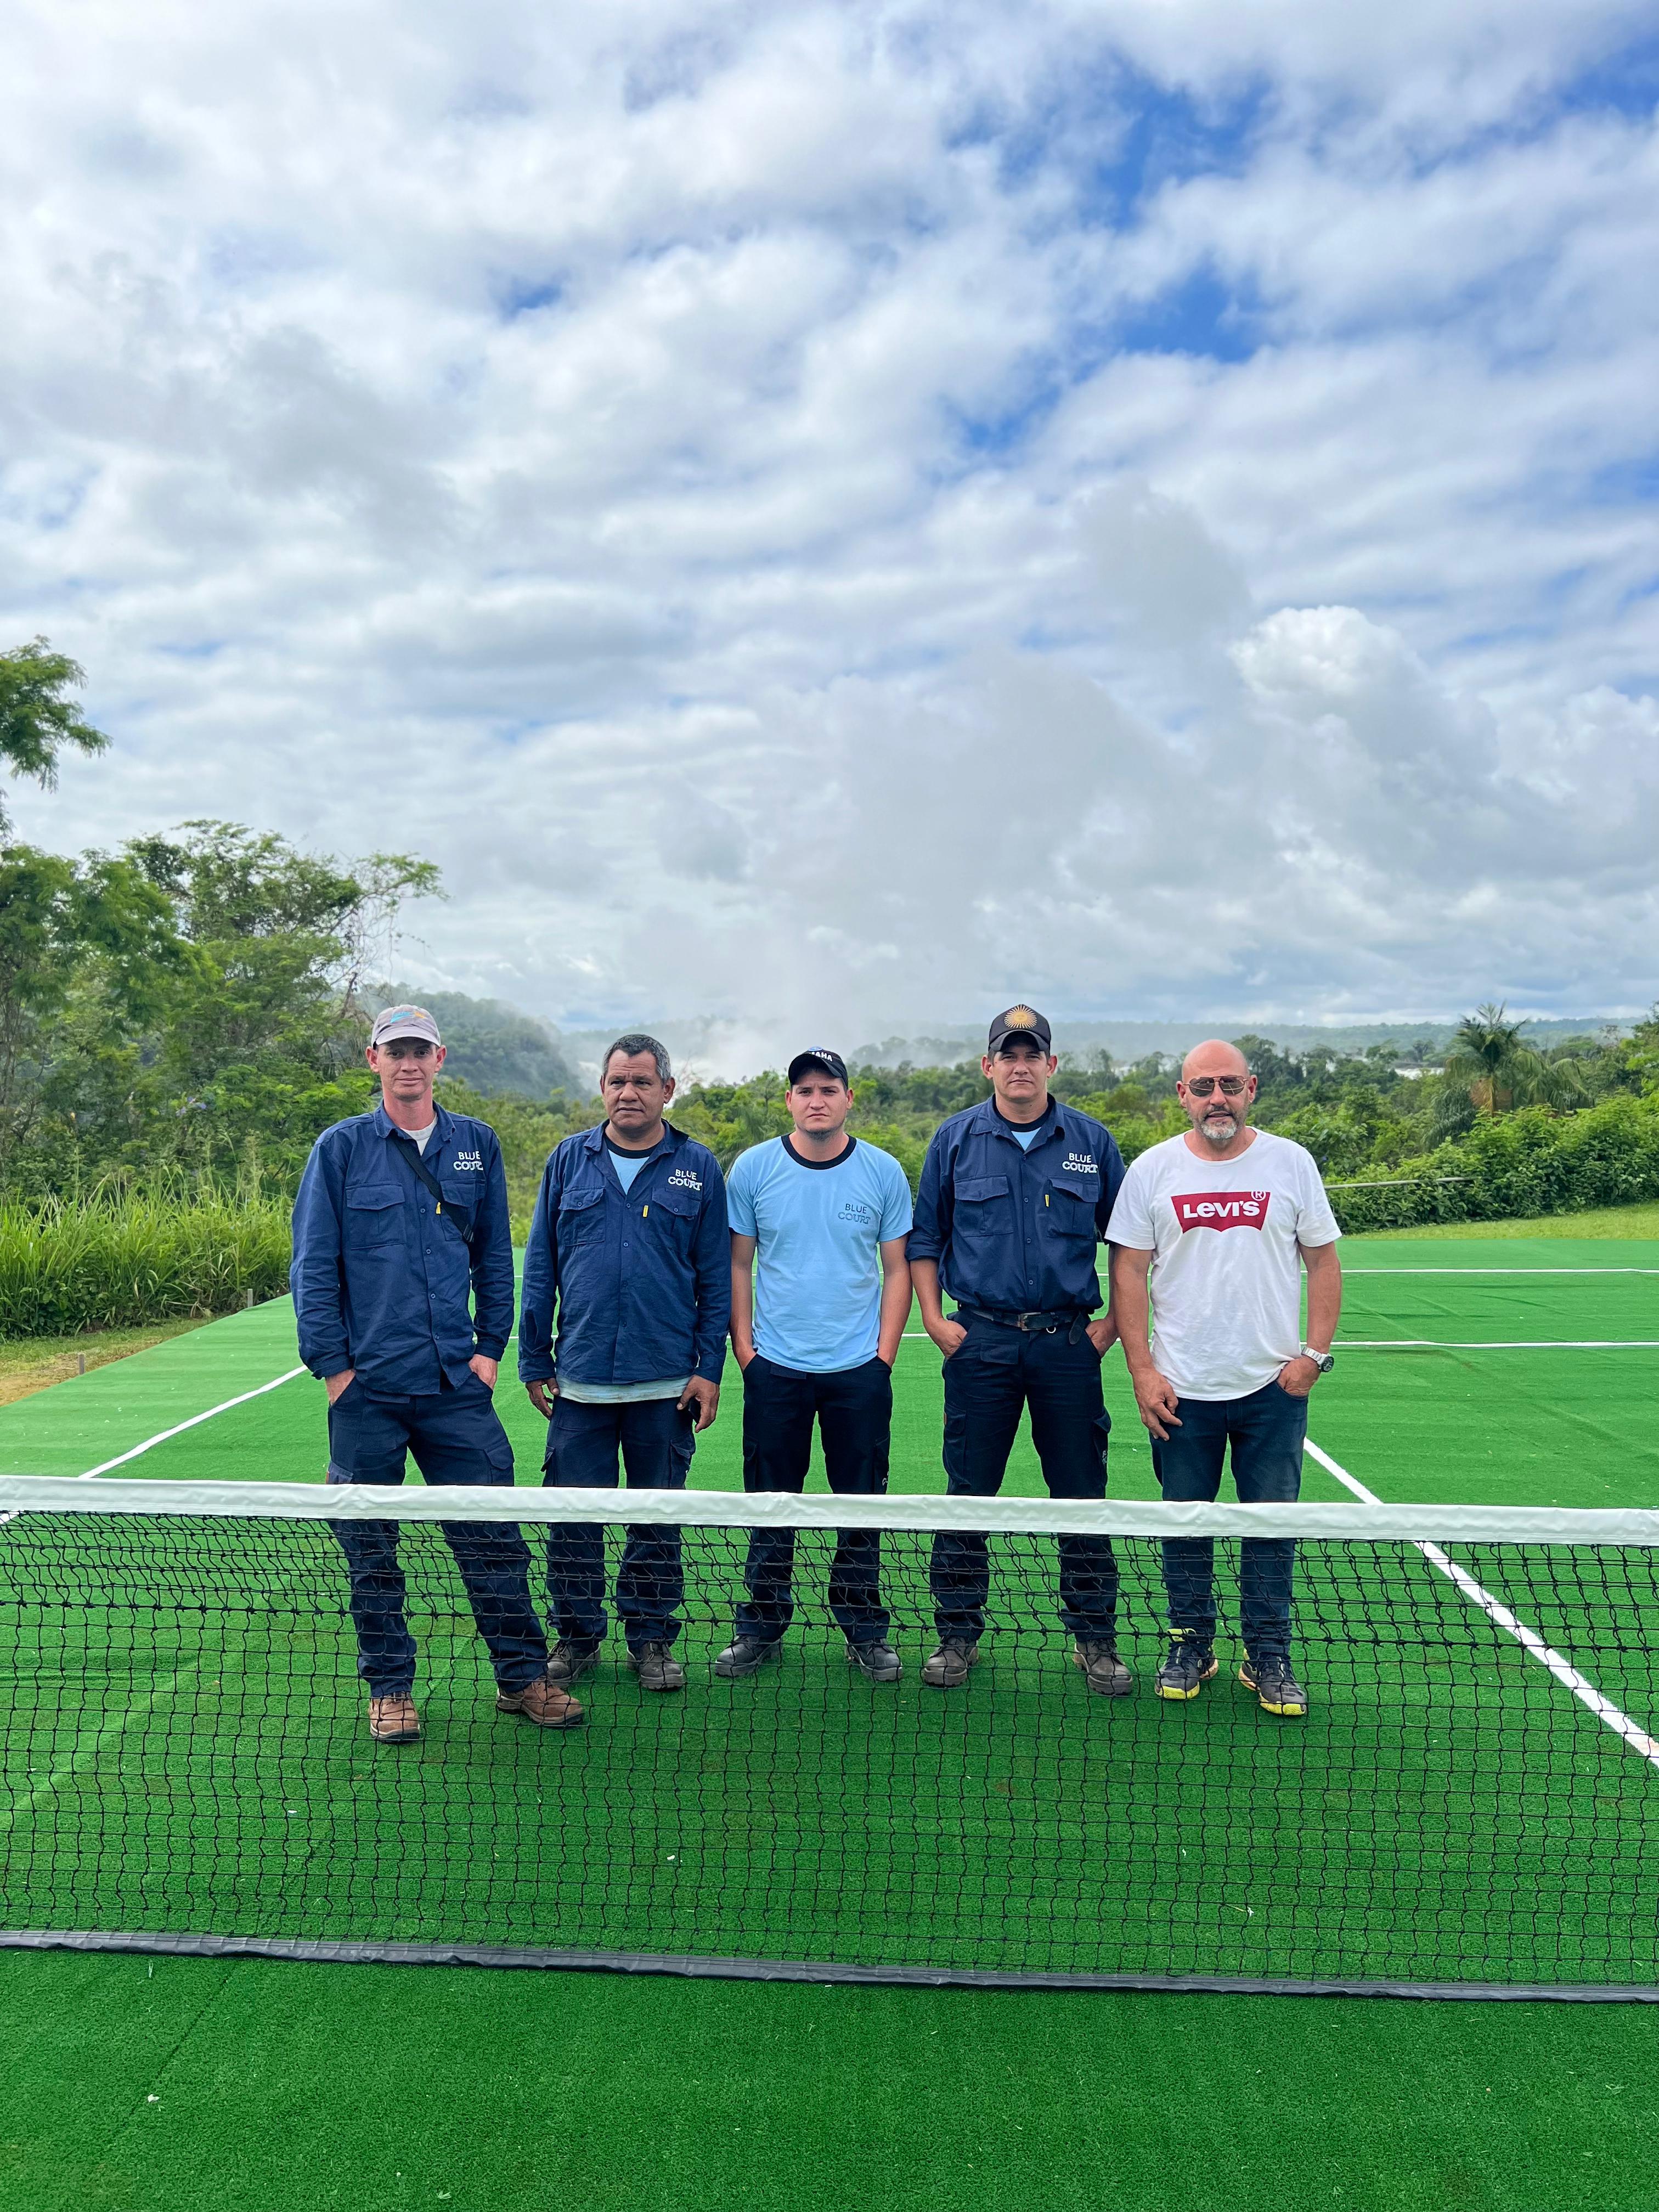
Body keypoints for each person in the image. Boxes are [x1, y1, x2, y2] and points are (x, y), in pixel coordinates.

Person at [290, 1003, 580, 1742]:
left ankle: (523, 1678)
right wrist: (335, 1372)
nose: (409, 1063)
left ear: (440, 1059)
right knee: (371, 1549)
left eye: (421, 1050)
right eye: (397, 1052)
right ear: (374, 1060)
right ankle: (389, 1689)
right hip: (369, 1393)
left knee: (494, 1542)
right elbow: (314, 1267)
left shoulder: (476, 1145)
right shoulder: (342, 1149)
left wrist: (488, 1351)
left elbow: (493, 1258)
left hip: (457, 1387)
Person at [1108, 1039, 1342, 1718]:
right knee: (1186, 1525)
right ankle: (1190, 1644)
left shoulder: (1291, 1163)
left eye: (1230, 1086)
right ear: (1182, 1095)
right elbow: (1128, 1271)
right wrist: (1143, 1371)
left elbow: (1323, 1263)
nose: (1218, 1098)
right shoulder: (1153, 1170)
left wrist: (1312, 1357)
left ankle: (1268, 1654)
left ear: (1252, 1089)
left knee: (1270, 1528)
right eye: (1203, 1086)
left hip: (1274, 1391)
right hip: (1181, 1392)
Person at [908, 1006, 1129, 1693]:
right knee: (969, 1493)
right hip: (982, 1344)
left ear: (1052, 1065)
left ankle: (1095, 1638)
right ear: (988, 1065)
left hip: (1068, 1343)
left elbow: (1129, 1247)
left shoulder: (1092, 1142)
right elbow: (924, 1241)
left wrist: (1112, 1328)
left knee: (1081, 1494)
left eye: (1033, 1055)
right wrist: (935, 1321)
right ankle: (957, 1633)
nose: (1021, 1065)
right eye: (1009, 1054)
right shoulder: (954, 1140)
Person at [520, 1034, 730, 1694]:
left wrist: (709, 1368)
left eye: (642, 1082)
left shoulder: (698, 1167)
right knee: (573, 1521)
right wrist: (533, 1357)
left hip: (666, 1383)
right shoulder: (567, 1161)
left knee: (655, 1520)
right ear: (602, 1087)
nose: (628, 1093)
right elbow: (541, 1266)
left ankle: (651, 1640)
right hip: (579, 1381)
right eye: (617, 1082)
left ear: (668, 1090)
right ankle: (577, 1638)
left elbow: (716, 1279)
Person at [719, 1048, 913, 1684]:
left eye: (828, 1089)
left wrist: (882, 1357)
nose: (816, 1100)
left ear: (848, 1098)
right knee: (771, 1503)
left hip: (858, 1370)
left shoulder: (883, 1173)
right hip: (775, 1368)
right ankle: (761, 1625)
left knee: (860, 1503)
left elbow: (896, 1270)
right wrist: (746, 1352)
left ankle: (863, 1628)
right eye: (804, 1090)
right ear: (789, 1102)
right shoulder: (753, 1169)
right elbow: (738, 1265)